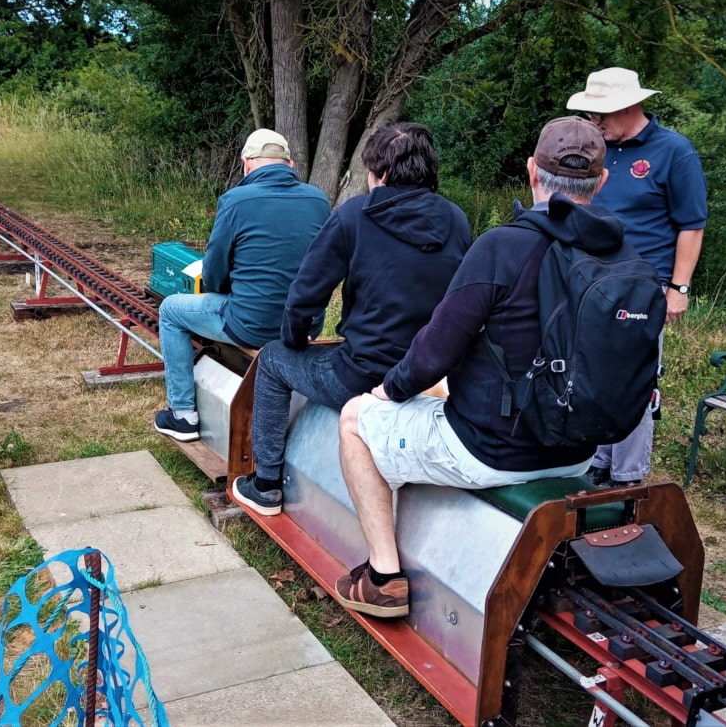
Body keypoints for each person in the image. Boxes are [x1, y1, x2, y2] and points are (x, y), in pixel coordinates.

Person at [333, 117, 618, 619]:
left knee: (355, 419)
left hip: (491, 450)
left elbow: (434, 352)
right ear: (601, 181)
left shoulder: (502, 247)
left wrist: (386, 391)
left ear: (532, 173)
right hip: (578, 454)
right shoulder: (624, 258)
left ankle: (383, 577)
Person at [232, 123, 471, 515]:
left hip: (363, 374)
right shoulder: (456, 220)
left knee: (274, 359)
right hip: (430, 375)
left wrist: (294, 339)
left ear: (383, 174)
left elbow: (306, 293)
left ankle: (267, 484)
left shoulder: (356, 215)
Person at [567, 67, 707, 486]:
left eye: (601, 114)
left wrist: (678, 288)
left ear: (628, 106)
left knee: (634, 380)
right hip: (591, 283)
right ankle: (597, 460)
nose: (594, 122)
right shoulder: (597, 149)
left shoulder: (674, 152)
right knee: (591, 375)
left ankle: (627, 475)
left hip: (644, 288)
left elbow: (692, 225)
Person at [153, 128, 330, 441]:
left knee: (170, 310)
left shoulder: (235, 201)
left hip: (252, 325)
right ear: (290, 165)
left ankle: (182, 414)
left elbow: (214, 275)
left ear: (246, 164)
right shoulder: (318, 200)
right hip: (307, 325)